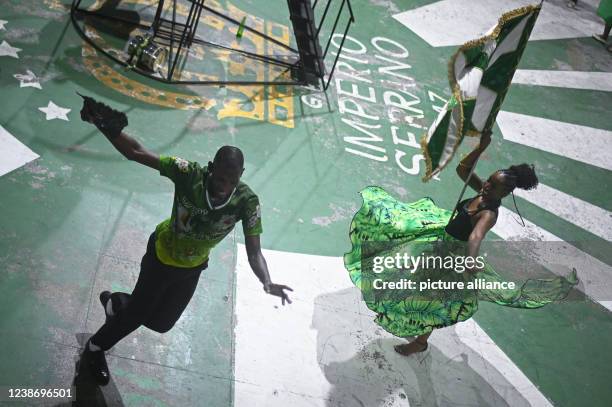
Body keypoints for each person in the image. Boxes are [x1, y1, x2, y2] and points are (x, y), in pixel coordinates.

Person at [79, 99, 293, 385]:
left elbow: (255, 251)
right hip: (160, 256)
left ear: (240, 177)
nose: (222, 185)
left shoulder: (247, 202)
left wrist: (266, 281)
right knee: (136, 317)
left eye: (230, 180)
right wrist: (106, 127)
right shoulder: (188, 174)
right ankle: (94, 349)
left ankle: (118, 303)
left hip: (192, 267)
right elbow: (136, 152)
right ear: (211, 167)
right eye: (219, 177)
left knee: (161, 323)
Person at [343, 130, 578, 356]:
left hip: (448, 257)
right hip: (438, 238)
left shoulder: (489, 213)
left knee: (429, 300)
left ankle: (420, 342)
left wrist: (471, 259)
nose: (486, 185)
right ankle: (416, 329)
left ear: (504, 192)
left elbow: (476, 237)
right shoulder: (483, 193)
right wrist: (481, 147)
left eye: (492, 185)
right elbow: (463, 169)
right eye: (488, 180)